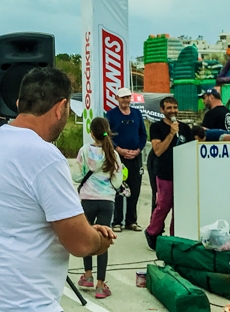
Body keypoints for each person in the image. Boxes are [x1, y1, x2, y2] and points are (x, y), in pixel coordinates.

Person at [0, 67, 115, 311]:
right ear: (61, 107)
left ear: (19, 103)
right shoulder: (45, 156)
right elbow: (80, 244)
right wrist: (99, 240)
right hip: (24, 303)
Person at [72, 117, 124, 300]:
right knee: (103, 242)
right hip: (107, 200)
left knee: (87, 237)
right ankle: (101, 285)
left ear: (91, 133)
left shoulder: (85, 151)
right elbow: (118, 180)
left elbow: (77, 176)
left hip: (87, 199)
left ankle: (87, 276)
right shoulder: (113, 154)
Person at [145, 97, 192, 250]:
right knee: (163, 205)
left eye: (175, 107)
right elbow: (158, 151)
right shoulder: (156, 127)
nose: (172, 111)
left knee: (179, 208)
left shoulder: (185, 128)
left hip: (182, 174)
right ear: (162, 110)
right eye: (169, 108)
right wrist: (171, 134)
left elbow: (192, 149)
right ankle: (152, 232)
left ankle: (174, 235)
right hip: (164, 173)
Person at [105, 87, 146, 232]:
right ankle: (117, 221)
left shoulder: (137, 113)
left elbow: (143, 134)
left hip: (135, 157)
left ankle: (131, 221)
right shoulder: (110, 115)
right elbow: (106, 135)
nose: (125, 100)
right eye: (123, 97)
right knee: (118, 188)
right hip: (118, 158)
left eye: (128, 97)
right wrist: (118, 150)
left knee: (134, 189)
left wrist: (138, 150)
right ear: (117, 98)